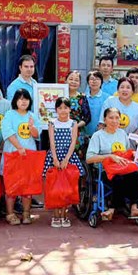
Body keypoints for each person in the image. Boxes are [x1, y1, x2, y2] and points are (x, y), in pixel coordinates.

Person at [85, 107, 138, 220]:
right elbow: (89, 158)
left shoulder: (122, 133)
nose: (114, 121)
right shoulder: (98, 136)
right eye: (111, 118)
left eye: (117, 118)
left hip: (122, 166)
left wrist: (135, 154)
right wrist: (110, 156)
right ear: (104, 120)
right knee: (118, 178)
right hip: (105, 169)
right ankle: (112, 208)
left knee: (134, 174)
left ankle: (134, 207)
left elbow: (126, 153)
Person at [43, 97, 84, 228]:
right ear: (56, 110)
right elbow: (52, 142)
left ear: (70, 109)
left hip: (69, 156)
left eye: (65, 107)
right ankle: (56, 215)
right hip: (55, 155)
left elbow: (73, 142)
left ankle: (64, 214)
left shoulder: (73, 123)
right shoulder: (52, 123)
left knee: (68, 186)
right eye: (60, 108)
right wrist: (55, 158)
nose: (63, 110)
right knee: (54, 186)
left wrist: (66, 159)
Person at [1, 89, 40, 225]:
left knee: (27, 186)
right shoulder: (9, 115)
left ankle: (26, 213)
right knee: (12, 186)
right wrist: (19, 147)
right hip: (13, 154)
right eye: (20, 99)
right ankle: (10, 214)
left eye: (26, 99)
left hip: (28, 156)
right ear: (15, 101)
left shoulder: (33, 116)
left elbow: (37, 135)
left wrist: (32, 127)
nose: (23, 101)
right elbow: (8, 133)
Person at [85, 70, 109, 136]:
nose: (94, 81)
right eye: (92, 79)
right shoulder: (83, 98)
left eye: (97, 79)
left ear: (101, 82)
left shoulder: (108, 98)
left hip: (102, 133)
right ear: (88, 82)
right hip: (84, 134)